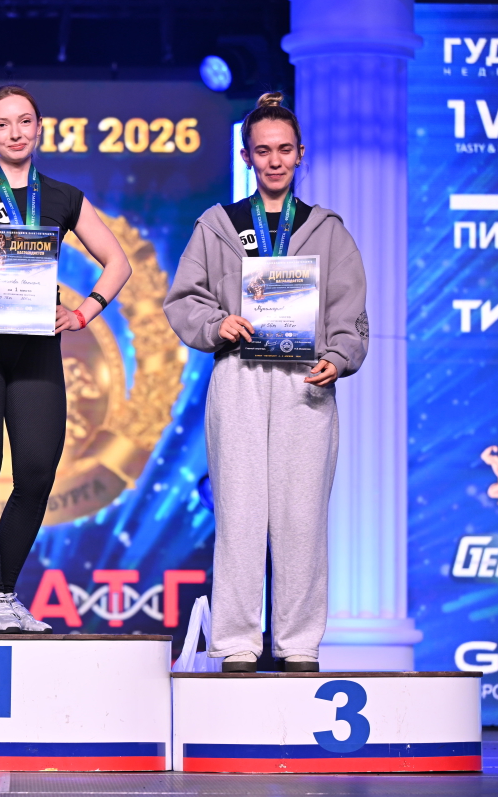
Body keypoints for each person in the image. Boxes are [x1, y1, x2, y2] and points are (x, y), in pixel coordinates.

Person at [163, 92, 368, 672]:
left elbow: (350, 312)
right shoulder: (218, 225)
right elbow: (183, 299)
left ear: (301, 154)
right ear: (247, 156)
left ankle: (299, 644)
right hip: (240, 374)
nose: (274, 160)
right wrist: (216, 324)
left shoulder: (327, 230)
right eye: (263, 151)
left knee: (302, 517)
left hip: (307, 379)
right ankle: (237, 643)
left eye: (284, 150)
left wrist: (339, 358)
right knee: (239, 513)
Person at [0, 85, 132, 633]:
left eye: (24, 122)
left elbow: (118, 261)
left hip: (37, 346)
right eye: (2, 124)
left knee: (38, 472)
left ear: (40, 128)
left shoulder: (64, 197)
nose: (15, 132)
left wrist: (86, 311)